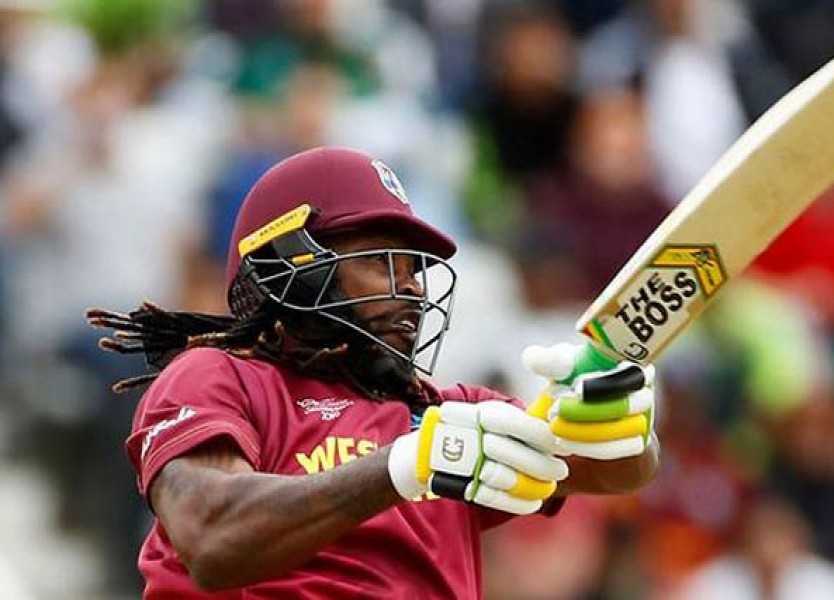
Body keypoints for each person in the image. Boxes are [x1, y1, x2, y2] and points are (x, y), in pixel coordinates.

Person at [87, 146, 660, 598]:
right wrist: (401, 467)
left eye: (415, 269)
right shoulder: (219, 378)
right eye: (383, 261)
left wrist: (615, 418)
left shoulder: (446, 410)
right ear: (293, 266)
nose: (412, 288)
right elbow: (212, 539)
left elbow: (615, 471)